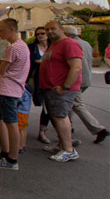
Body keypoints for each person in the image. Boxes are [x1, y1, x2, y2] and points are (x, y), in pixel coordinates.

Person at [0, 18, 30, 170]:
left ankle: (12, 159)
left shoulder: (13, 48)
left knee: (11, 123)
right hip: (13, 88)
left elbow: (2, 70)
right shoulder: (22, 45)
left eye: (1, 30)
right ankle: (5, 151)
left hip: (9, 89)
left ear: (12, 30)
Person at [39, 21, 82, 163]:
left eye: (53, 29)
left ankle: (69, 150)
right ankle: (61, 145)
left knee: (60, 116)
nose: (50, 31)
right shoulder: (55, 45)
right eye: (47, 29)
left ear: (62, 29)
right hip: (50, 87)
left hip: (60, 89)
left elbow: (76, 67)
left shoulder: (69, 44)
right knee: (56, 116)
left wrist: (65, 86)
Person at [64, 26, 109, 144]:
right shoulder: (86, 44)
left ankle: (98, 129)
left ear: (67, 35)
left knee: (77, 104)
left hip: (76, 80)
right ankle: (68, 125)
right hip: (87, 78)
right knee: (70, 102)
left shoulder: (70, 44)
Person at [27, 27, 52, 144]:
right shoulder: (32, 47)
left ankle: (42, 132)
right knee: (25, 102)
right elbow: (32, 61)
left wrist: (40, 61)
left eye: (42, 33)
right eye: (37, 34)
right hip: (33, 78)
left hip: (49, 78)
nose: (40, 36)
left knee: (47, 107)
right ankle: (20, 128)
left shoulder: (53, 46)